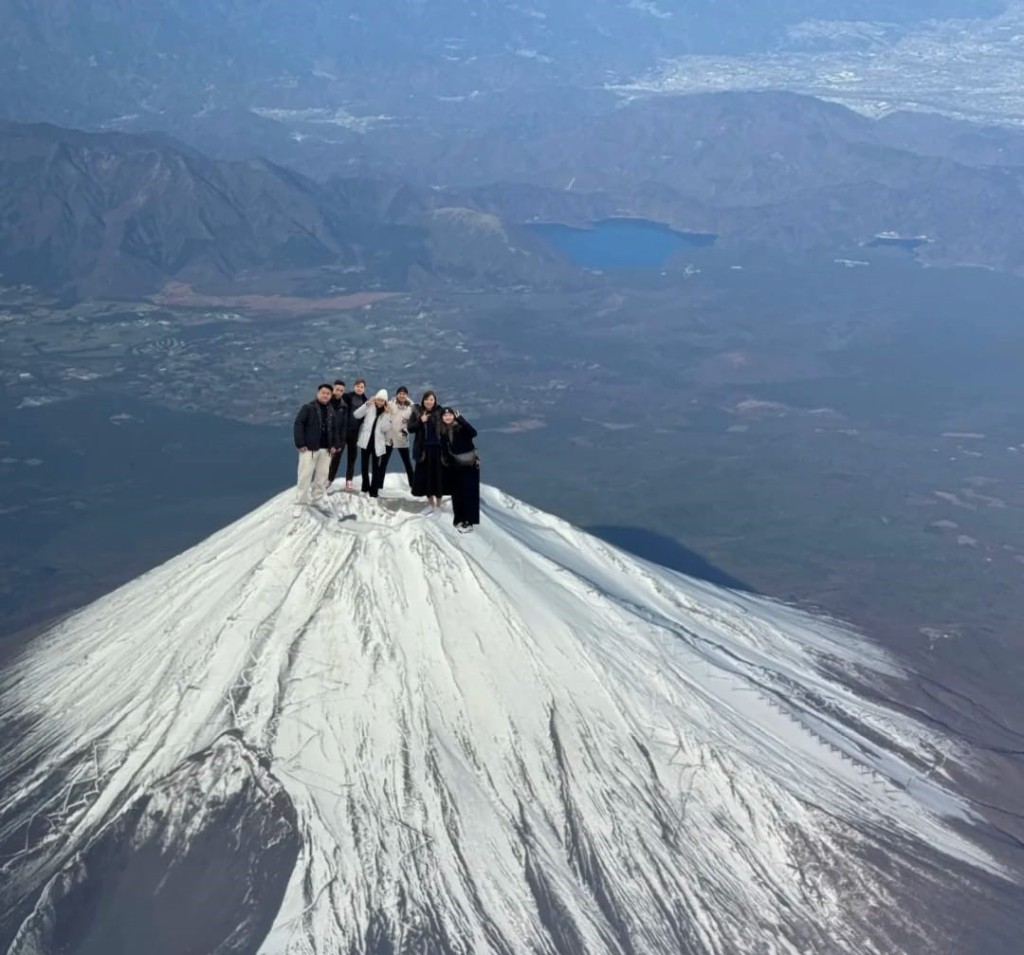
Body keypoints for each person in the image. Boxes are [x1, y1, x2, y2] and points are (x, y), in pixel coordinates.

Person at [293, 383, 342, 512]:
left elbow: (335, 429)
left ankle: (317, 500)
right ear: (317, 393)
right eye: (323, 393)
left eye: (328, 394)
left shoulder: (331, 411)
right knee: (305, 476)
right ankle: (300, 503)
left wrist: (335, 445)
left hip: (326, 450)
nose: (325, 395)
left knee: (322, 477)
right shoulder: (308, 408)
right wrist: (300, 443)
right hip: (310, 449)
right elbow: (298, 424)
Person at [439, 407, 480, 531]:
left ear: (454, 415)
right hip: (455, 466)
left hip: (469, 465)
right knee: (456, 493)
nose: (448, 417)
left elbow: (473, 433)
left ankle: (469, 521)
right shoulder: (443, 431)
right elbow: (444, 449)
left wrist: (461, 419)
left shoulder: (460, 427)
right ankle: (458, 518)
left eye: (450, 415)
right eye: (445, 415)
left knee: (468, 493)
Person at [352, 388, 392, 497]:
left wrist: (388, 415)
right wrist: (366, 404)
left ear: (385, 402)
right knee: (364, 466)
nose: (379, 402)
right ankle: (365, 487)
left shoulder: (387, 412)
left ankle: (374, 491)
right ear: (375, 399)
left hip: (377, 444)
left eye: (382, 401)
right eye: (378, 400)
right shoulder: (369, 407)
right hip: (365, 441)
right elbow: (356, 414)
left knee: (376, 468)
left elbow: (385, 428)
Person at [382, 385, 415, 488]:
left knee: (408, 464)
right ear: (396, 395)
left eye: (404, 394)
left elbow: (417, 410)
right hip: (390, 438)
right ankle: (378, 486)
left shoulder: (410, 408)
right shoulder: (390, 404)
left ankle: (413, 486)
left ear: (407, 396)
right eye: (400, 393)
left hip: (402, 438)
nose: (402, 395)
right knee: (383, 463)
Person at [342, 379, 368, 490]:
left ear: (364, 389)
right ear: (354, 387)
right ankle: (329, 478)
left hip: (354, 433)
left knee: (352, 457)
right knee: (336, 457)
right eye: (357, 386)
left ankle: (349, 480)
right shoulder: (346, 397)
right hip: (342, 432)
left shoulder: (366, 402)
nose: (359, 388)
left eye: (361, 387)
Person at [326, 380, 349, 492]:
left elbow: (344, 425)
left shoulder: (343, 406)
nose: (339, 392)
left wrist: (341, 442)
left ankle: (329, 480)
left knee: (336, 460)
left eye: (341, 391)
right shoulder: (326, 402)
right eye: (337, 389)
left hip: (339, 438)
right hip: (325, 437)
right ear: (333, 389)